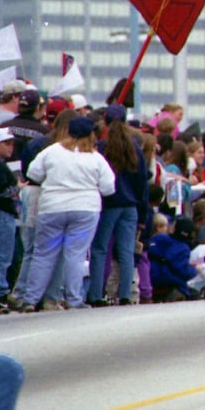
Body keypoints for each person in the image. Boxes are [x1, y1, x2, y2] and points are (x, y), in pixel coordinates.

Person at [18, 116, 115, 311]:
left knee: (43, 253)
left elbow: (33, 173)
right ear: (91, 135)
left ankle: (31, 298)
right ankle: (73, 299)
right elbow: (108, 188)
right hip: (85, 210)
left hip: (52, 208)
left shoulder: (52, 152)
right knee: (75, 254)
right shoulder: (96, 158)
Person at [86, 111, 151, 307]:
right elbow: (142, 183)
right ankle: (125, 294)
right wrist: (143, 212)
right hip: (130, 205)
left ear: (104, 122)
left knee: (100, 249)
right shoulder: (135, 148)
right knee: (126, 250)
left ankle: (96, 293)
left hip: (108, 204)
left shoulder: (102, 148)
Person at [147, 214, 197, 302]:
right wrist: (194, 270)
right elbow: (182, 270)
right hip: (171, 284)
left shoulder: (159, 238)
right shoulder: (183, 247)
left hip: (151, 281)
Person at [0, 129, 17, 310]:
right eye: (6, 143)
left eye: (12, 143)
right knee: (3, 256)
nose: (11, 147)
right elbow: (3, 191)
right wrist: (16, 188)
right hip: (3, 212)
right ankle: (1, 293)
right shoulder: (0, 166)